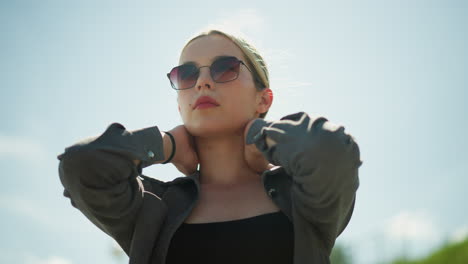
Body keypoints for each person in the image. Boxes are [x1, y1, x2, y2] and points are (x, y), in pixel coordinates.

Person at [57, 29, 362, 264]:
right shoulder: (154, 207)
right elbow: (80, 165)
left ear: (263, 99)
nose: (202, 81)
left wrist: (262, 139)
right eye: (187, 74)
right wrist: (167, 145)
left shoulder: (302, 195)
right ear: (179, 106)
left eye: (225, 68)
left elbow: (331, 150)